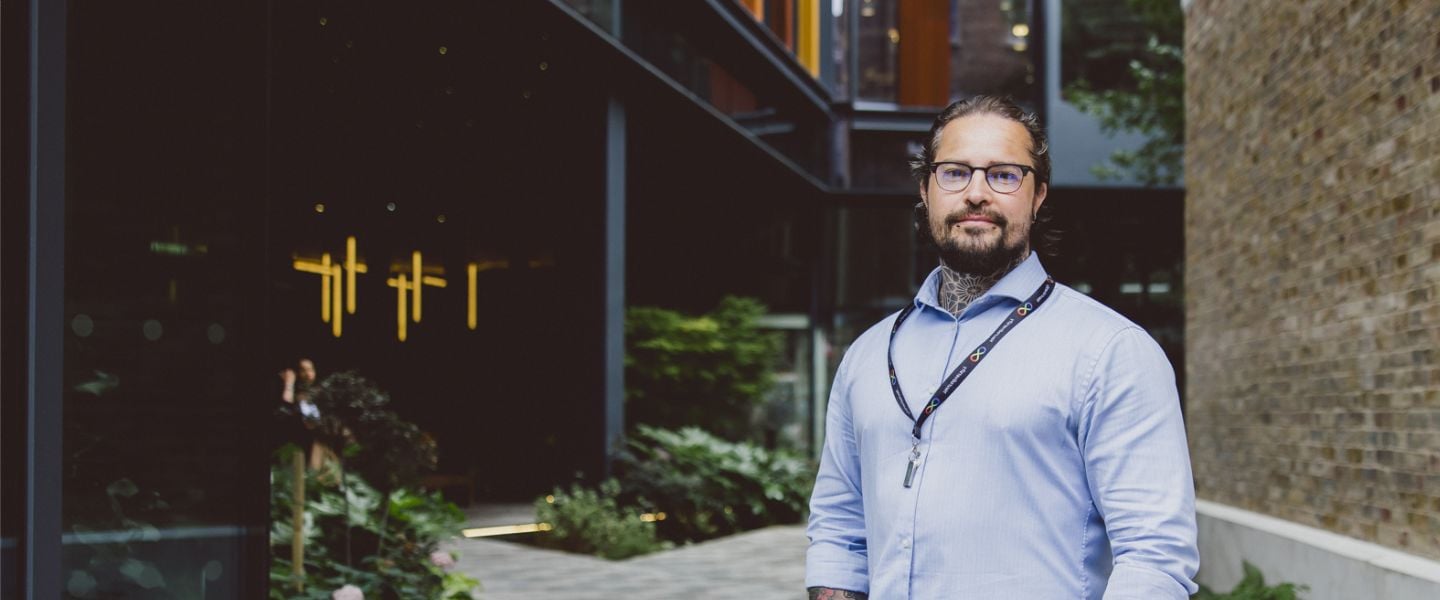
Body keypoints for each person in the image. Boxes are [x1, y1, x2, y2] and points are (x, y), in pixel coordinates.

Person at [805, 96, 1198, 599]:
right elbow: (840, 530)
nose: (976, 193)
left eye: (1004, 175)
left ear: (1038, 196)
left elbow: (1154, 557)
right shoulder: (867, 355)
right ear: (925, 190)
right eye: (954, 172)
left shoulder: (1113, 352)